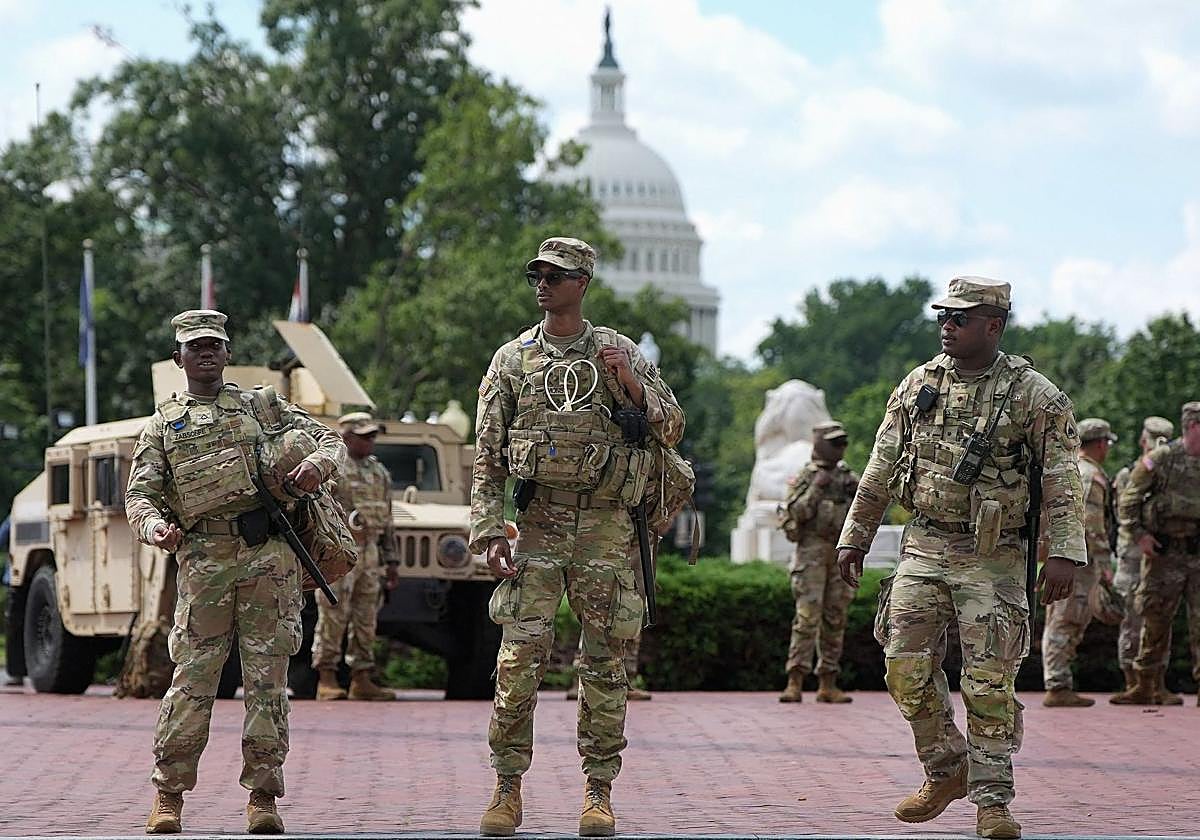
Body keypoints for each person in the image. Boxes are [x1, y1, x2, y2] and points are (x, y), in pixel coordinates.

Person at [836, 277, 1085, 840]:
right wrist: (854, 536)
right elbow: (880, 464)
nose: (947, 326)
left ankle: (993, 803)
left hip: (994, 555)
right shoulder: (918, 383)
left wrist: (1064, 553)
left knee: (988, 681)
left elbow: (1064, 479)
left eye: (961, 318)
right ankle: (948, 769)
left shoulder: (1034, 395)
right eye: (943, 317)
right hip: (923, 544)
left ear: (994, 326)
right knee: (903, 666)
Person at [470, 237, 684, 837]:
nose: (543, 284)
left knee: (605, 663)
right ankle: (506, 788)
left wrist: (633, 386)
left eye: (557, 275)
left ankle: (598, 791)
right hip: (539, 525)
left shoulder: (619, 352)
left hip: (607, 529)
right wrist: (489, 530)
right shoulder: (512, 360)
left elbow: (672, 427)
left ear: (583, 282)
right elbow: (486, 456)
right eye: (536, 273)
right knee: (517, 660)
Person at [125, 310, 345, 835]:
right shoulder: (162, 427)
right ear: (178, 357)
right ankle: (168, 797)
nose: (206, 353)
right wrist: (156, 528)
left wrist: (316, 466)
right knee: (191, 682)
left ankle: (263, 799)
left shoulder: (261, 408)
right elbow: (139, 496)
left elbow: (329, 440)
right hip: (203, 564)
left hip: (269, 560)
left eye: (215, 345)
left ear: (227, 354)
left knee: (268, 683)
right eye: (195, 346)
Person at [1112, 401, 1200, 706]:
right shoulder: (1161, 458)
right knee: (1155, 617)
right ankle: (1144, 684)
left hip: (1197, 551)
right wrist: (1140, 536)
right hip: (1164, 553)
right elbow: (1129, 499)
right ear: (1192, 427)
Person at [311, 411, 400, 701]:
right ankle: (326, 676)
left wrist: (392, 561)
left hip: (371, 552)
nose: (370, 441)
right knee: (333, 613)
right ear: (345, 437)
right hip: (339, 551)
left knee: (366, 615)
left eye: (373, 436)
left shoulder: (379, 472)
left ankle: (361, 678)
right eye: (364, 436)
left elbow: (387, 518)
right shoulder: (332, 467)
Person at [777, 420, 860, 704]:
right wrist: (815, 489)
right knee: (807, 617)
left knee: (835, 617)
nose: (841, 448)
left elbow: (866, 511)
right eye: (835, 443)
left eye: (842, 443)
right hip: (811, 553)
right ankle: (795, 681)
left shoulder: (847, 476)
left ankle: (828, 683)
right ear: (820, 444)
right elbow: (792, 513)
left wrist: (856, 490)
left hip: (839, 553)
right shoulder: (806, 476)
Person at [1041, 418, 1115, 707]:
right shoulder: (1090, 476)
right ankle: (1058, 685)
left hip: (1065, 556)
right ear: (1100, 444)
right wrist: (1106, 563)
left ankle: (1058, 682)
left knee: (1062, 617)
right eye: (1107, 443)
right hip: (1080, 560)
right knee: (1068, 618)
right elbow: (1093, 526)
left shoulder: (1072, 470)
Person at [1110, 415, 1177, 703]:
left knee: (1160, 616)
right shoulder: (1129, 474)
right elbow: (1123, 515)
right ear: (1143, 441)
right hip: (1134, 556)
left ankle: (1156, 682)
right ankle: (1132, 682)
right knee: (1133, 618)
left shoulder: (1173, 474)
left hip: (1163, 556)